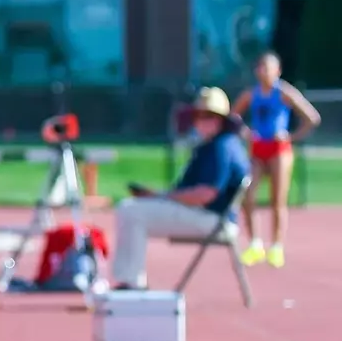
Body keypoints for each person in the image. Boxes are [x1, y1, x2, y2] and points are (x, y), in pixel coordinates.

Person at [107, 87, 250, 290]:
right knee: (132, 208)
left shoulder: (221, 147)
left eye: (209, 115)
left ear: (222, 120)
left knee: (131, 211)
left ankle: (130, 282)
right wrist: (158, 196)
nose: (202, 120)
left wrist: (162, 196)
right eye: (199, 115)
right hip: (207, 216)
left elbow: (206, 195)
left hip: (213, 219)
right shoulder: (214, 145)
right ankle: (132, 279)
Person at [231, 51, 320, 268]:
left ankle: (277, 247)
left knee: (277, 199)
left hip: (279, 149)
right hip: (258, 148)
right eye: (260, 67)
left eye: (268, 67)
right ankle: (255, 244)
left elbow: (312, 117)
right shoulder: (251, 95)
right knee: (247, 193)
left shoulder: (284, 92)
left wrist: (292, 136)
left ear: (277, 71)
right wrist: (245, 132)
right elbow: (232, 117)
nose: (263, 71)